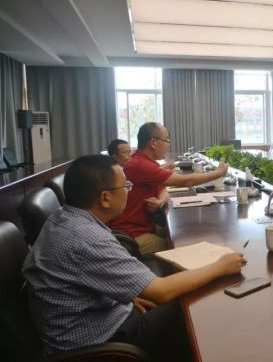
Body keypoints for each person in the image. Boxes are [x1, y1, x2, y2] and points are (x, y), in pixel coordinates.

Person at [22, 155, 245, 358]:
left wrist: (126, 294)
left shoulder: (63, 218)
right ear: (105, 198)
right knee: (194, 301)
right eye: (126, 186)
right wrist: (220, 266)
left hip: (96, 319)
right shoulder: (86, 238)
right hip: (99, 342)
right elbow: (162, 291)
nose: (129, 190)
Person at [109, 122, 229, 254]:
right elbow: (186, 181)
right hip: (131, 234)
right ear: (153, 143)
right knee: (184, 246)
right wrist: (218, 173)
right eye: (167, 140)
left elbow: (163, 189)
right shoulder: (140, 165)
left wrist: (160, 202)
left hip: (143, 227)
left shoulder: (145, 162)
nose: (168, 145)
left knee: (184, 231)